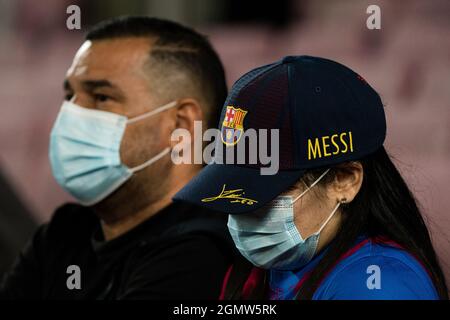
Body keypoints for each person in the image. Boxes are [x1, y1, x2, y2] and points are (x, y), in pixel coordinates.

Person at [174, 55, 449, 300]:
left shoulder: (379, 286)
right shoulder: (264, 271)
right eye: (234, 189)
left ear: (345, 180)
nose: (241, 211)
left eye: (266, 190)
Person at [0, 16, 234, 299]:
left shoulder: (202, 251)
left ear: (180, 126)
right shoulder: (65, 234)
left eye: (100, 97)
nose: (71, 115)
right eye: (70, 95)